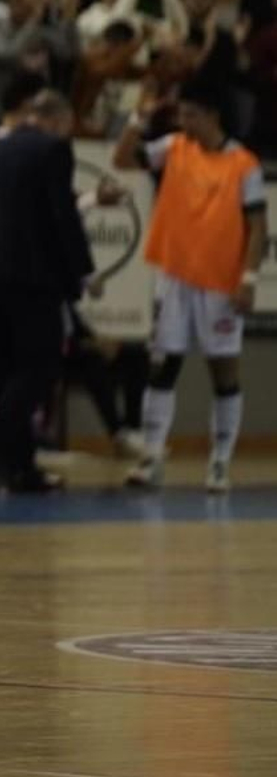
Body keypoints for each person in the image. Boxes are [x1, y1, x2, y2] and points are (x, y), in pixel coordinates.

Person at [112, 82, 267, 491]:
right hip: (174, 277)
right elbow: (122, 158)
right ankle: (151, 458)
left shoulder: (244, 164)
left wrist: (249, 279)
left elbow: (257, 228)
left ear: (213, 115)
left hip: (220, 282)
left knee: (223, 371)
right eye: (181, 114)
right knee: (163, 365)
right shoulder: (175, 147)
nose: (183, 122)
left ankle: (220, 462)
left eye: (191, 114)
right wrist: (138, 118)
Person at [0, 90, 91, 492]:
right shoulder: (53, 150)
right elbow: (61, 216)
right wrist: (78, 273)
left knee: (8, 371)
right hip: (34, 280)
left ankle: (19, 466)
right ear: (58, 121)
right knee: (41, 366)